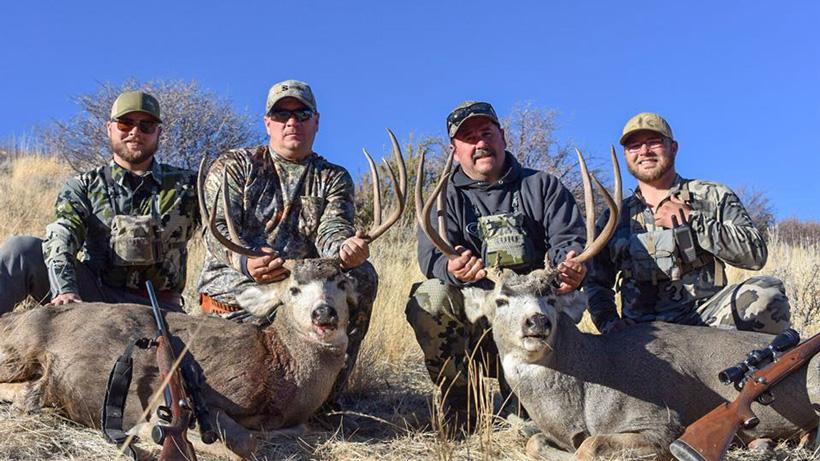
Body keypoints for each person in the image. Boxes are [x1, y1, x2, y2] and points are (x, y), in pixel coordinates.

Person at [196, 79, 377, 405]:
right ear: (268, 122)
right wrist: (246, 261)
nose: (291, 122)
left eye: (302, 114)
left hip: (301, 294)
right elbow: (216, 228)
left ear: (316, 121)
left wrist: (344, 250)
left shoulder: (332, 177)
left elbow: (332, 227)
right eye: (281, 115)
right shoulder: (235, 167)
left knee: (362, 275)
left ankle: (324, 397)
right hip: (238, 289)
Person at [405, 101, 587, 422]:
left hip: (534, 322)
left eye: (486, 133)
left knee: (533, 422)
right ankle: (461, 402)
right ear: (453, 150)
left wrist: (569, 271)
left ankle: (526, 396)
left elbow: (568, 244)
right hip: (478, 323)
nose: (480, 144)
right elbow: (431, 256)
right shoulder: (444, 197)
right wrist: (451, 268)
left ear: (503, 137)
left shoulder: (542, 186)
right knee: (430, 297)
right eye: (468, 138)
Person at [585, 112, 790, 335]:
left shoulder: (712, 195)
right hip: (642, 334)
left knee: (767, 295)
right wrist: (609, 322)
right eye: (634, 146)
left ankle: (755, 368)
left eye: (653, 142)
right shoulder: (614, 217)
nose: (644, 151)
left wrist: (695, 221)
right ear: (626, 155)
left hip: (707, 320)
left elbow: (756, 254)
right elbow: (596, 282)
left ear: (673, 148)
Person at [0, 91, 199, 314]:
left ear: (158, 132)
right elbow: (64, 233)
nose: (135, 132)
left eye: (147, 126)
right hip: (96, 297)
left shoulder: (190, 185)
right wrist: (65, 289)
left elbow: (222, 235)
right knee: (21, 250)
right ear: (109, 128)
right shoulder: (84, 186)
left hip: (162, 308)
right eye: (125, 124)